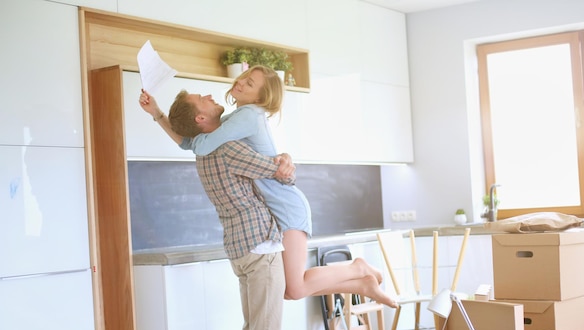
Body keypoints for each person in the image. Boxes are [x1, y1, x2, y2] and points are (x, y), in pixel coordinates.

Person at [140, 65, 397, 308]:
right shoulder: (235, 118)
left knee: (294, 289)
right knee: (288, 290)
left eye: (249, 83)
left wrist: (162, 117)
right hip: (275, 209)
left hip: (286, 206)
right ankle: (361, 284)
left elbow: (201, 145)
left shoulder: (249, 116)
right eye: (244, 77)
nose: (240, 82)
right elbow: (190, 142)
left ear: (260, 97)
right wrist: (157, 114)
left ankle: (358, 270)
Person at [142, 91, 302, 330]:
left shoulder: (204, 149)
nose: (210, 95)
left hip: (239, 247)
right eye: (202, 98)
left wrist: (157, 112)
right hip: (260, 245)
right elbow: (280, 173)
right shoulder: (228, 147)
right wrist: (286, 158)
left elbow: (183, 141)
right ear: (201, 119)